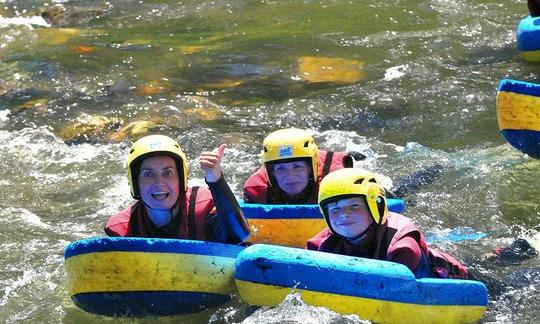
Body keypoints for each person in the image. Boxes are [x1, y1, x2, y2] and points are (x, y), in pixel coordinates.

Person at [306, 168, 468, 279]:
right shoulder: (322, 243)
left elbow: (389, 295)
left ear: (375, 206)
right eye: (335, 210)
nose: (343, 215)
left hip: (458, 280)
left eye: (354, 206)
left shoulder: (403, 248)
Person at [104, 134, 250, 243]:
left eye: (167, 173)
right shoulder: (121, 228)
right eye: (148, 174)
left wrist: (216, 180)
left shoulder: (202, 206)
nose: (158, 182)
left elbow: (237, 237)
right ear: (135, 183)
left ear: (181, 179)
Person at [243, 128, 365, 204]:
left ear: (310, 169)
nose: (290, 176)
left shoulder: (336, 179)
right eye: (281, 169)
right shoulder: (256, 189)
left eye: (297, 166)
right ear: (272, 174)